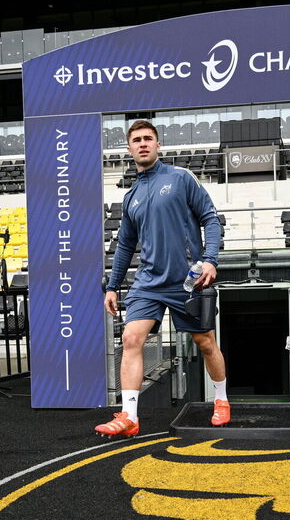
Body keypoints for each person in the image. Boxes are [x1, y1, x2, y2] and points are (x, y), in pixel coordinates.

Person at [97, 119, 229, 437]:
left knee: (206, 343)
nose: (143, 143)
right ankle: (130, 417)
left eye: (148, 139)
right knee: (130, 338)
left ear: (158, 145)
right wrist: (113, 285)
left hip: (188, 279)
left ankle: (222, 400)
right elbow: (126, 245)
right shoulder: (131, 198)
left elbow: (211, 219)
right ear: (129, 149)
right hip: (148, 282)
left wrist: (210, 260)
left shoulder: (181, 178)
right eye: (137, 140)